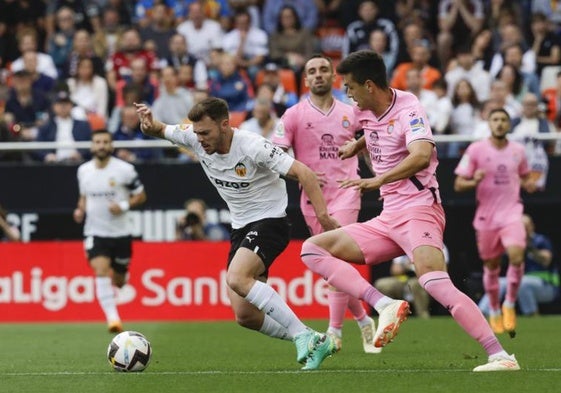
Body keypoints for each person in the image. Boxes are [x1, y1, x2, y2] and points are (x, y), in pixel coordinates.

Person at [299, 50, 520, 372]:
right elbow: (374, 131)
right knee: (312, 250)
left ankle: (500, 355)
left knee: (434, 281)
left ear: (370, 86)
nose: (346, 93)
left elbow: (420, 155)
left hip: (420, 210)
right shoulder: (363, 111)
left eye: (349, 87)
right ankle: (383, 303)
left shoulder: (409, 108)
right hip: (389, 217)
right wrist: (357, 146)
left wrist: (379, 179)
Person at [135, 97, 340, 370]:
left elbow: (304, 173)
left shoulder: (253, 146)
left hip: (270, 221)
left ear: (224, 125)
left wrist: (323, 217)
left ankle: (304, 334)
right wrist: (150, 126)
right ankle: (314, 341)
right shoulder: (194, 137)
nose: (200, 140)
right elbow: (161, 129)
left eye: (206, 133)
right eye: (196, 133)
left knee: (237, 277)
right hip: (241, 227)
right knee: (245, 316)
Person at [272, 54, 379, 355]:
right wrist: (301, 175)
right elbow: (276, 156)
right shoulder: (293, 115)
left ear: (333, 77)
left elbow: (372, 144)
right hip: (312, 199)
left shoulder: (353, 112)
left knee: (338, 258)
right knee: (334, 267)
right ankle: (363, 319)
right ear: (305, 80)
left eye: (323, 70)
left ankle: (334, 332)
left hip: (346, 192)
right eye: (312, 71)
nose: (318, 75)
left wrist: (381, 179)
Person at [454, 109, 538, 338]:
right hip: (486, 217)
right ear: (489, 123)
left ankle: (509, 303)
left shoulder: (518, 150)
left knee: (517, 255)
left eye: (503, 120)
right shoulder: (476, 150)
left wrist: (529, 183)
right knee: (491, 266)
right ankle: (493, 308)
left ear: (509, 124)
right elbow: (459, 184)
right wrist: (474, 181)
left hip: (512, 213)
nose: (499, 124)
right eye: (495, 119)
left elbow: (525, 176)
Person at [73, 129, 147, 333]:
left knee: (120, 281)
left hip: (121, 233)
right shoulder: (84, 171)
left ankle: (122, 275)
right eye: (97, 142)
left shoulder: (125, 170)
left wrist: (123, 206)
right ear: (92, 146)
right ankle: (113, 318)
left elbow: (141, 196)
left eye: (105, 142)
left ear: (111, 145)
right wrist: (80, 209)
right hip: (95, 233)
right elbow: (84, 197)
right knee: (101, 270)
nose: (101, 146)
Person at [478, 214, 559, 316]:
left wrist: (530, 247)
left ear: (532, 226)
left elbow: (546, 260)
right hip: (522, 282)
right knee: (499, 282)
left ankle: (532, 316)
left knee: (522, 283)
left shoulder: (540, 240)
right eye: (521, 226)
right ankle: (482, 313)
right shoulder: (514, 244)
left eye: (526, 226)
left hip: (547, 286)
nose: (524, 229)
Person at [375, 245, 449, 319]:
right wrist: (407, 266)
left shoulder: (437, 245)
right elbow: (395, 270)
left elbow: (441, 270)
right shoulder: (404, 244)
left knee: (414, 284)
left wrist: (419, 266)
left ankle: (423, 316)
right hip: (405, 280)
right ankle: (390, 317)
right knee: (382, 284)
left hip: (428, 281)